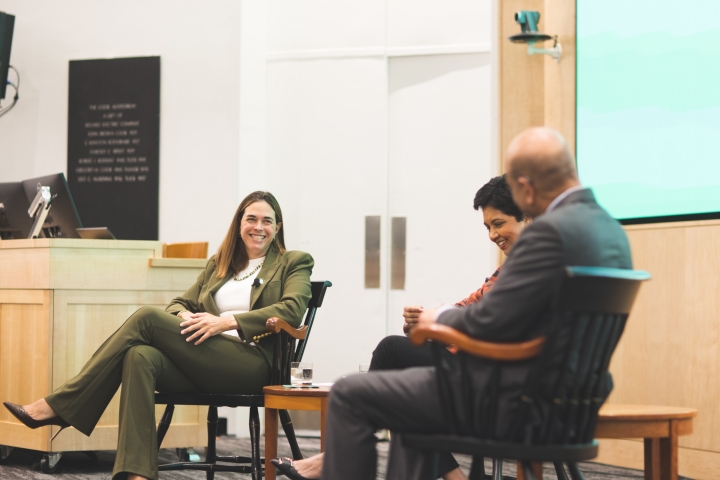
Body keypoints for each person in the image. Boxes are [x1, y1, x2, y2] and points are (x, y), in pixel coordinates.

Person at [319, 127, 633, 480]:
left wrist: (440, 316)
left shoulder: (548, 232)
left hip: (515, 402)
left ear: (526, 186)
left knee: (349, 392)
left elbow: (490, 320)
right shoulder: (610, 231)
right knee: (406, 403)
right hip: (574, 401)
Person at [3, 191, 314, 480]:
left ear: (277, 227)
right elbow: (178, 303)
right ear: (239, 224)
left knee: (146, 318)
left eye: (266, 221)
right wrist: (185, 315)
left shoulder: (293, 262)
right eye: (251, 219)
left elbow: (291, 310)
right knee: (140, 356)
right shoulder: (220, 266)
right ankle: (135, 473)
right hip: (205, 359)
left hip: (253, 365)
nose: (258, 227)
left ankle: (59, 405)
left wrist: (226, 322)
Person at [273, 175, 530, 480]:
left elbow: (493, 325)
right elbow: (471, 308)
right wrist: (428, 321)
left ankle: (332, 460)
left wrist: (438, 322)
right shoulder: (512, 267)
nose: (492, 234)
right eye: (487, 227)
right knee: (400, 384)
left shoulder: (530, 268)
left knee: (392, 355)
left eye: (498, 223)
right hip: (485, 375)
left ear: (526, 216)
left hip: (497, 386)